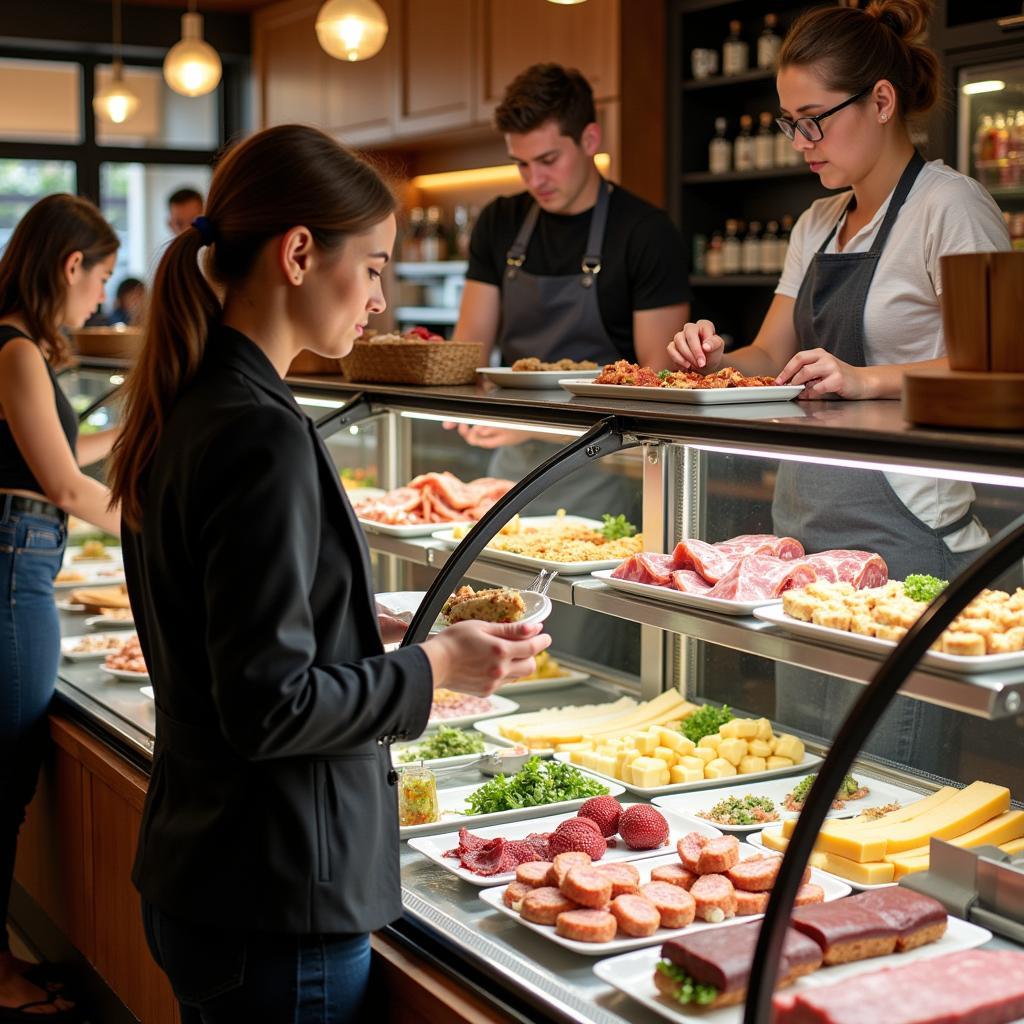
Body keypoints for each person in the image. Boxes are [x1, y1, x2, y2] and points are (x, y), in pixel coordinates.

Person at [107, 124, 550, 1024]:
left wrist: (360, 623)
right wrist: (436, 669)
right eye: (377, 266)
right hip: (275, 895)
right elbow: (269, 707)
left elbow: (220, 620)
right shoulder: (260, 430)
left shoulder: (196, 398)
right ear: (300, 253)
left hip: (210, 870)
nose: (382, 300)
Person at [666, 0, 1010, 770]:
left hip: (906, 536)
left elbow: (996, 368)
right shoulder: (816, 222)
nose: (801, 143)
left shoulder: (948, 208)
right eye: (791, 122)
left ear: (882, 101)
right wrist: (712, 355)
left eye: (814, 118)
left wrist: (864, 379)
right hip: (806, 538)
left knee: (885, 783)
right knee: (808, 777)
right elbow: (769, 355)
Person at [451, 61, 691, 512]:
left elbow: (660, 388)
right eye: (521, 164)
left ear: (590, 140)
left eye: (547, 160)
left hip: (610, 470)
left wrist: (535, 426)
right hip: (509, 468)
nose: (534, 180)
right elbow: (470, 351)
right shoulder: (499, 222)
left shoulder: (645, 232)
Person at [0, 194, 122, 1021]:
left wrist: (131, 422)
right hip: (15, 564)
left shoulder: (15, 345)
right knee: (2, 773)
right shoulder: (13, 348)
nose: (102, 296)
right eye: (102, 276)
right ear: (69, 263)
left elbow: (60, 452)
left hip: (22, 555)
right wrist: (159, 526)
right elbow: (63, 484)